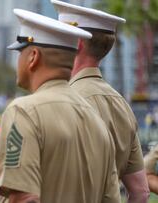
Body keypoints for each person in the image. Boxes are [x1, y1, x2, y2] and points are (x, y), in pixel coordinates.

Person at [0, 8, 120, 203]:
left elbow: (24, 198)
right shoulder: (97, 121)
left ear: (33, 56)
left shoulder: (24, 111)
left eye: (20, 51)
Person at [51, 1, 150, 202]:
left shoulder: (63, 100)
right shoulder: (121, 104)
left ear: (77, 43)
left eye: (60, 37)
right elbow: (140, 191)